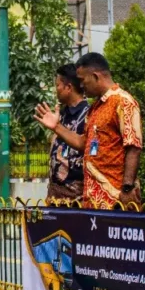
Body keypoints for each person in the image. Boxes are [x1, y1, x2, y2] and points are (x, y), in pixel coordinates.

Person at [35, 53, 143, 209]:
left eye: (82, 80)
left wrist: (126, 188)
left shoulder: (123, 102)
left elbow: (133, 147)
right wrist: (56, 127)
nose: (81, 85)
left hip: (116, 199)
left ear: (95, 76)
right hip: (92, 202)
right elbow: (82, 143)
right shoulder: (95, 108)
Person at [42, 64, 90, 203]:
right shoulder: (61, 114)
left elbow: (86, 146)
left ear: (68, 88)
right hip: (55, 198)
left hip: (77, 199)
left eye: (57, 85)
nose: (55, 90)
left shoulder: (89, 115)